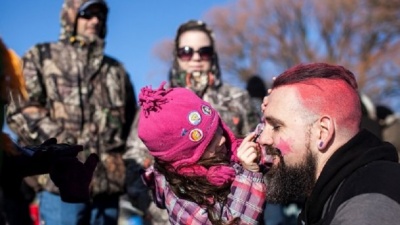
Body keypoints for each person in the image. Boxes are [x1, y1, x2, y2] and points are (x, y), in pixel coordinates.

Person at [5, 0, 137, 224]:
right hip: (60, 188)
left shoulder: (117, 71)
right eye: (88, 13)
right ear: (70, 16)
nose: (95, 20)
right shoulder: (42, 56)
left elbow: (132, 126)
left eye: (101, 15)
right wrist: (65, 149)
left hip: (108, 192)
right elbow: (20, 107)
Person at [123, 19, 260, 224]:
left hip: (239, 207)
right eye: (187, 51)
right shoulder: (158, 108)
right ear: (177, 56)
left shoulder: (237, 98)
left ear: (212, 55)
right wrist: (167, 210)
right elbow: (134, 166)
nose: (196, 57)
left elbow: (255, 146)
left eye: (203, 51)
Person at [258, 62, 400, 225]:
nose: (262, 138)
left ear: (323, 131)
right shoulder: (325, 195)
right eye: (263, 126)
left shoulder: (369, 202)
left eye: (276, 126)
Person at [137, 82, 267, 225]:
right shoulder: (180, 198)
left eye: (217, 127)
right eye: (209, 141)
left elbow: (263, 146)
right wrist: (249, 175)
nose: (222, 139)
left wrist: (272, 113)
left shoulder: (225, 153)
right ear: (185, 158)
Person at [0, 38, 98, 225]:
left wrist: (48, 157)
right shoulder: (41, 56)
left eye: (3, 84)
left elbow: (9, 161)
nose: (6, 98)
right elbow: (23, 109)